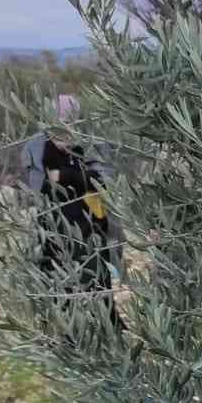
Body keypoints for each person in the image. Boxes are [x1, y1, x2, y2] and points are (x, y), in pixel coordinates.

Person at [21, 95, 123, 332]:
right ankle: (66, 330)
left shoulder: (88, 141)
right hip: (54, 222)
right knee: (57, 274)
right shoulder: (37, 145)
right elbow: (41, 182)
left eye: (69, 123)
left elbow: (103, 178)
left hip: (87, 221)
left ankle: (104, 325)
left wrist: (65, 177)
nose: (65, 129)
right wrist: (82, 179)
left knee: (95, 274)